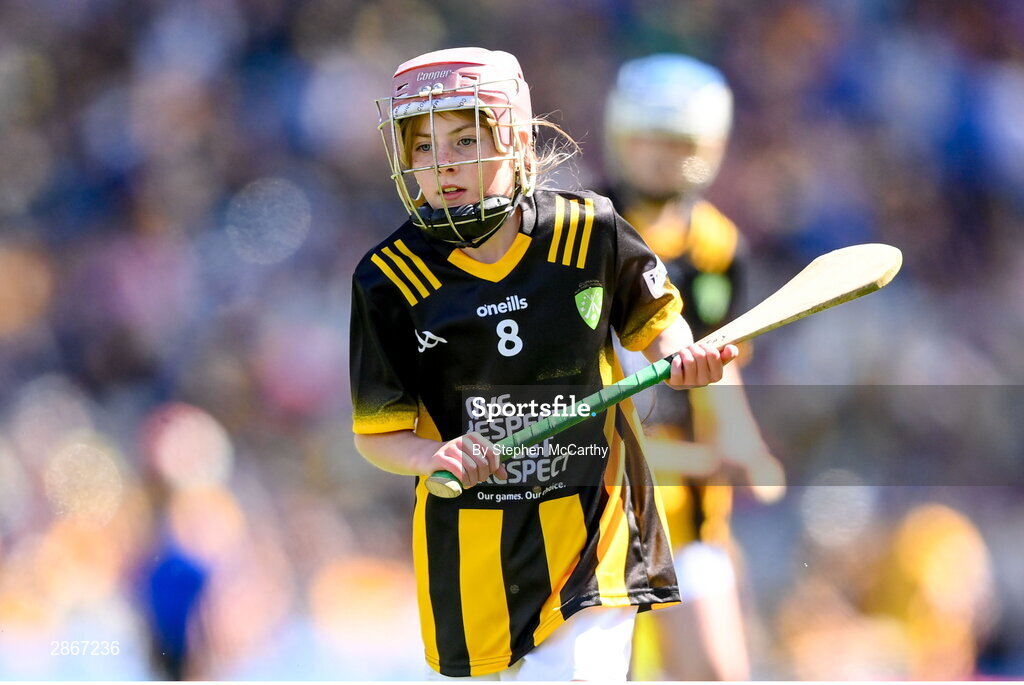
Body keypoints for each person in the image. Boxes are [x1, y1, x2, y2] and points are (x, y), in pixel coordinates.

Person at [349, 47, 739, 681]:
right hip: (471, 551)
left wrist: (683, 357)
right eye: (422, 147)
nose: (442, 164)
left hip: (591, 530)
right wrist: (430, 456)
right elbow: (380, 435)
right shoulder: (388, 281)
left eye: (465, 139)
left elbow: (660, 325)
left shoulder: (593, 232)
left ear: (517, 140)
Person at [603, 53, 785, 680]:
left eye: (681, 143)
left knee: (715, 672)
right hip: (591, 494)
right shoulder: (579, 231)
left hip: (685, 506)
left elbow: (721, 366)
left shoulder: (718, 247)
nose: (663, 157)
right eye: (650, 139)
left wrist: (742, 447)